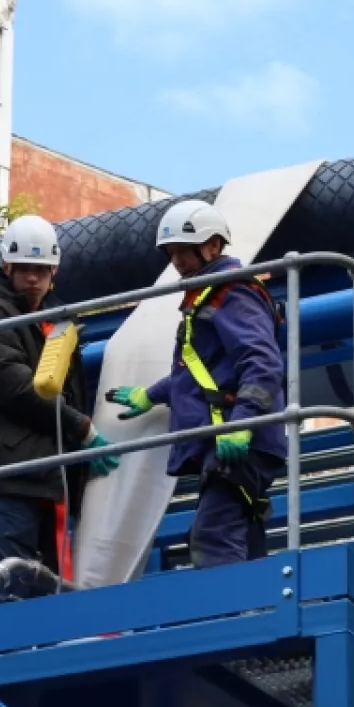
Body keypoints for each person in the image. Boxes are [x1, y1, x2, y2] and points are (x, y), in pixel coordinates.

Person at [105, 200, 286, 567]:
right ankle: (261, 617)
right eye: (171, 254)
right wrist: (152, 395)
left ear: (213, 246)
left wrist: (243, 422)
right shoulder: (206, 296)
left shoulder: (232, 292)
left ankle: (232, 623)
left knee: (213, 537)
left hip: (237, 439)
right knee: (239, 538)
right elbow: (202, 373)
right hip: (232, 439)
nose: (177, 263)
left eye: (183, 252)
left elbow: (263, 362)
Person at [0, 215, 117, 580]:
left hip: (45, 476)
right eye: (26, 268)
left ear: (54, 270)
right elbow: (16, 388)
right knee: (12, 584)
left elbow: (64, 391)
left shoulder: (51, 321)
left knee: (44, 586)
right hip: (11, 476)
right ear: (7, 265)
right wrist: (82, 429)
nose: (33, 278)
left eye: (41, 270)